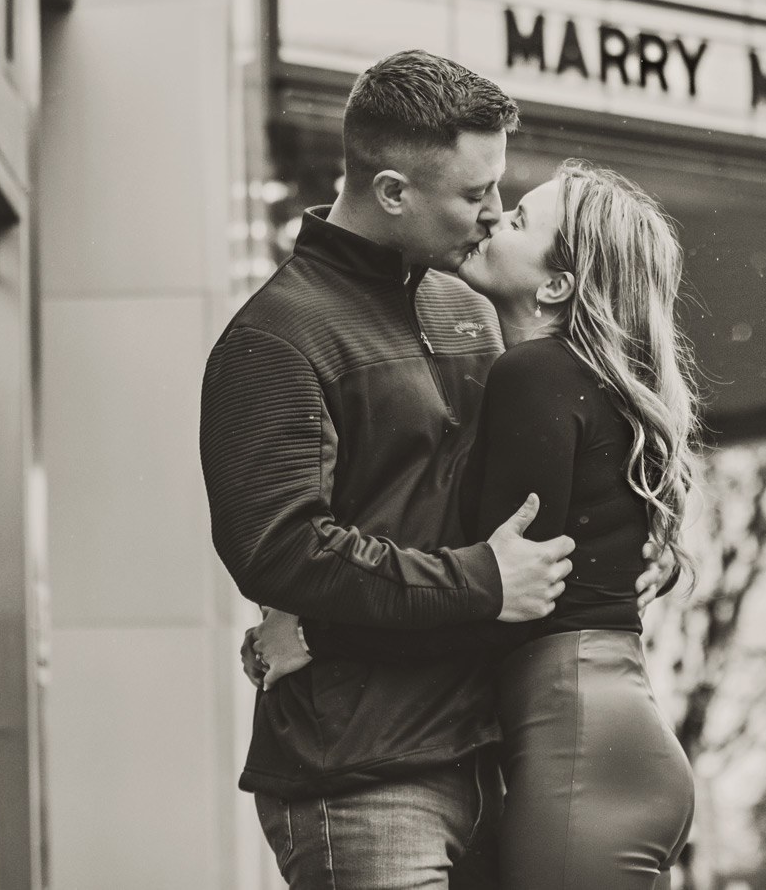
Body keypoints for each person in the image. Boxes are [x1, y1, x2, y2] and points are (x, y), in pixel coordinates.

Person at [254, 161, 702, 890]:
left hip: (579, 750)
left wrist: (311, 634)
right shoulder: (585, 379)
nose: (495, 218)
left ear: (556, 285)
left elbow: (502, 599)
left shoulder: (533, 374)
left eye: (521, 219)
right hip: (612, 741)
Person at [199, 50, 577, 890]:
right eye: (475, 194)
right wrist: (477, 580)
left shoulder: (471, 310)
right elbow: (279, 548)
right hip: (362, 781)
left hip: (493, 759)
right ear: (393, 192)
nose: (495, 214)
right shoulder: (275, 339)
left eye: (499, 188)